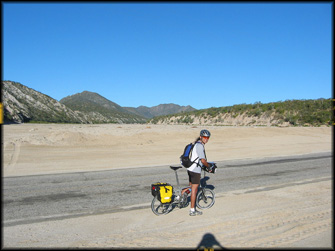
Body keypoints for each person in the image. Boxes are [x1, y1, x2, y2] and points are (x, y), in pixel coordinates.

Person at [182, 129, 211, 216]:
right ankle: (192, 210)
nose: (206, 139)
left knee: (190, 187)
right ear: (201, 137)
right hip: (195, 170)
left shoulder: (196, 143)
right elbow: (202, 160)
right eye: (205, 137)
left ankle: (181, 196)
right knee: (194, 190)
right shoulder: (200, 146)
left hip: (190, 168)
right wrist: (208, 166)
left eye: (207, 137)